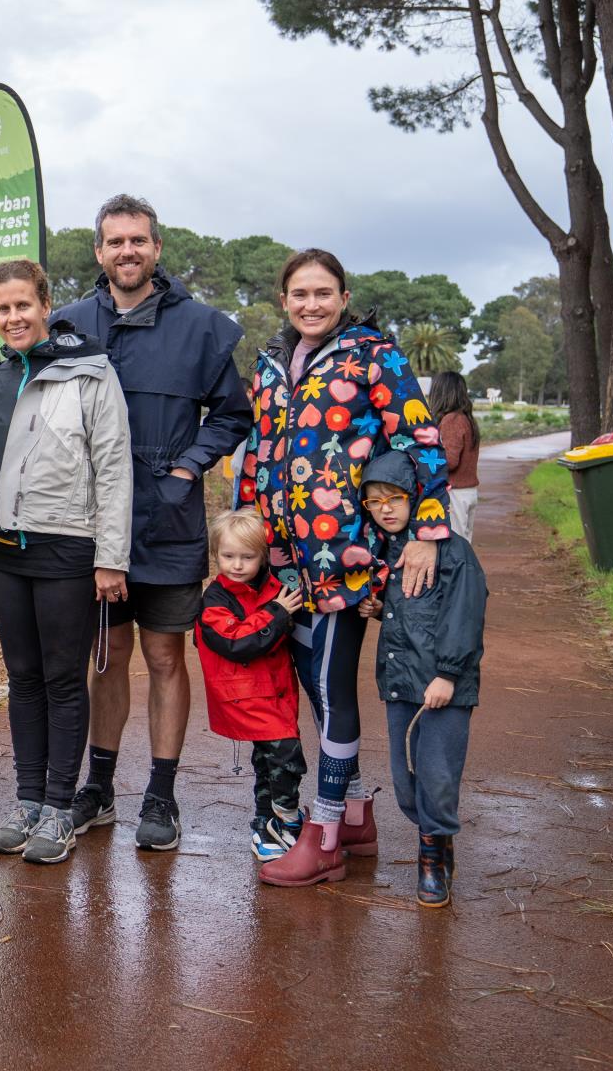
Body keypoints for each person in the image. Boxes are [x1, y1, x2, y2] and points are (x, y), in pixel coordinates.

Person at [241, 248, 451, 888]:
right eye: (299, 294)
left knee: (331, 692)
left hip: (347, 563)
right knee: (311, 685)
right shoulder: (270, 365)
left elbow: (420, 444)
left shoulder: (374, 355)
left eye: (323, 293)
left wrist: (425, 533)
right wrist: (247, 536)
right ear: (284, 300)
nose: (311, 304)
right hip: (283, 565)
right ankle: (357, 813)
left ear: (343, 296)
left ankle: (326, 834)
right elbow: (257, 453)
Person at [55, 195, 251, 853]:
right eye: (115, 242)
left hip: (167, 521)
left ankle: (161, 793)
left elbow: (231, 416)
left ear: (156, 249)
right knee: (106, 658)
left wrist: (189, 469)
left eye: (138, 240)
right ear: (99, 252)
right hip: (89, 524)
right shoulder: (68, 325)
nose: (127, 252)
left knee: (166, 656)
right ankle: (100, 787)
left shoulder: (202, 328)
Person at [0, 258, 132, 866]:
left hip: (69, 546)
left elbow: (113, 467)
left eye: (23, 306)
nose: (13, 317)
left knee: (64, 679)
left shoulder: (88, 375)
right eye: (2, 308)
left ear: (44, 306)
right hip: (7, 551)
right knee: (23, 679)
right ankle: (28, 800)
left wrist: (111, 557)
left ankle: (61, 807)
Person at [355, 450, 487, 908]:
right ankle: (434, 833)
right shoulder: (386, 553)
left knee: (437, 774)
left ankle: (432, 855)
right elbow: (410, 615)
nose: (385, 508)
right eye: (374, 501)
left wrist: (448, 675)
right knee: (404, 779)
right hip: (400, 681)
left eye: (393, 497)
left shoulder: (452, 552)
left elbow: (463, 616)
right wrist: (374, 611)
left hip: (443, 687)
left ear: (416, 497)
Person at [195, 510, 307, 863]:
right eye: (228, 556)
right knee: (287, 755)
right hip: (244, 692)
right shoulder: (215, 599)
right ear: (216, 555)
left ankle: (265, 821)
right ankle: (287, 821)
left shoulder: (275, 587)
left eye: (247, 557)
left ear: (263, 557)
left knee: (268, 760)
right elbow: (235, 641)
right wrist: (275, 614)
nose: (237, 565)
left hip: (276, 689)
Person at [427, 371, 481, 541]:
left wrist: (424, 459)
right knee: (464, 544)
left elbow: (450, 461)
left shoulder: (452, 420)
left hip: (455, 493)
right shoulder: (466, 418)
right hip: (468, 492)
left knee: (455, 547)